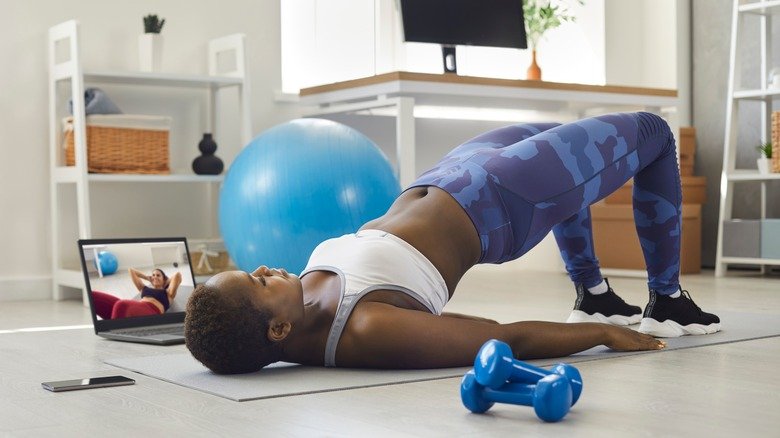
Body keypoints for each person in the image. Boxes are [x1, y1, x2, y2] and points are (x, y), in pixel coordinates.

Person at [185, 112, 720, 375]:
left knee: (569, 134)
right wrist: (602, 337)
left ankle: (593, 290)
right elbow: (501, 336)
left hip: (451, 173)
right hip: (506, 199)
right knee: (653, 133)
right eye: (256, 282)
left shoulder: (293, 307)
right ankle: (667, 299)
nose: (261, 267)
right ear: (277, 329)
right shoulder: (366, 329)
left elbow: (221, 321)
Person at [92, 268, 182, 319]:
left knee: (121, 305)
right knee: (93, 296)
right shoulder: (144, 288)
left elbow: (177, 275)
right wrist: (147, 278)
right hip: (136, 308)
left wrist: (165, 282)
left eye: (158, 275)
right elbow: (131, 270)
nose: (154, 277)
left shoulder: (168, 293)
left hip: (152, 312)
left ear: (164, 279)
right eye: (153, 275)